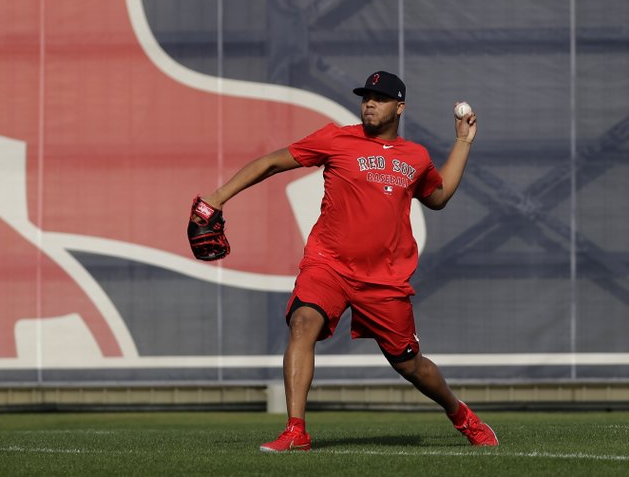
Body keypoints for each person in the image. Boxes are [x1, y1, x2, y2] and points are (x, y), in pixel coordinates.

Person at [193, 71, 498, 452]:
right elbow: (272, 163)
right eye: (366, 96)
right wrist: (218, 198)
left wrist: (462, 142)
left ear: (399, 107)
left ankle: (462, 416)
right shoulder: (336, 139)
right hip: (329, 263)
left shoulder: (415, 157)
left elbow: (438, 197)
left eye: (381, 98)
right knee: (303, 323)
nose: (370, 103)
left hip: (383, 278)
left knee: (411, 366)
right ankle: (295, 430)